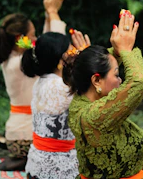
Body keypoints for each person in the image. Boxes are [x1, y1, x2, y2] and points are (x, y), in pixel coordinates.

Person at [62, 12, 143, 179]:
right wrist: (125, 50)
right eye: (116, 75)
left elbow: (101, 65)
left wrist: (119, 49)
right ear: (96, 80)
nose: (120, 79)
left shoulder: (83, 97)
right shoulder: (94, 117)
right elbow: (140, 81)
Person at [0, 0, 67, 171]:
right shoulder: (19, 64)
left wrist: (49, 13)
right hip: (25, 137)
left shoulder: (11, 60)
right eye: (33, 36)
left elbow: (45, 43)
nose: (36, 39)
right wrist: (52, 12)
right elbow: (53, 49)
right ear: (19, 38)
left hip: (17, 135)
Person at [20, 30, 90, 179]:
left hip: (39, 162)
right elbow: (91, 99)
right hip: (57, 166)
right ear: (60, 61)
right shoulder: (58, 87)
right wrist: (87, 62)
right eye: (71, 51)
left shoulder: (43, 81)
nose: (75, 54)